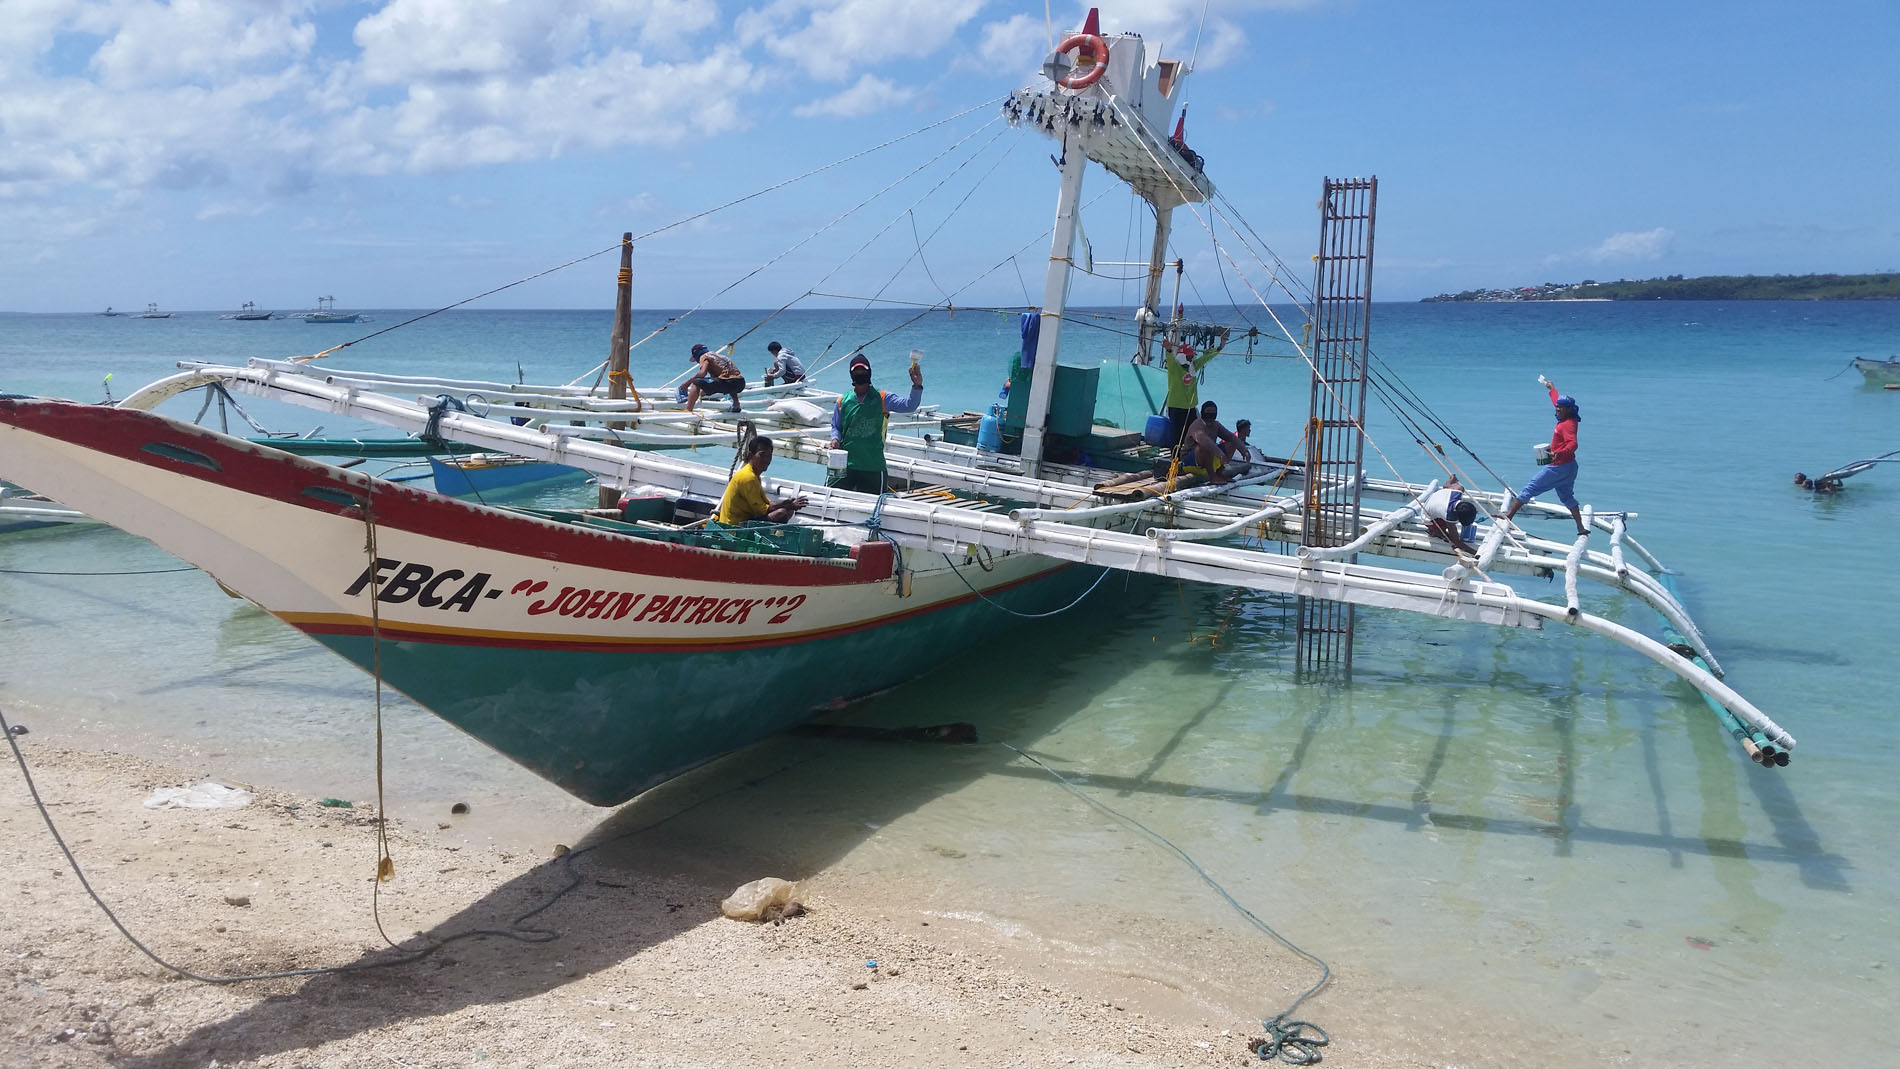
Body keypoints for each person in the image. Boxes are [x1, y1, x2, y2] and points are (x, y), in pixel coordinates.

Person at [1501, 376, 1588, 537]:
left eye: (1561, 408)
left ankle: (1508, 516)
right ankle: (1581, 528)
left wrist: (1558, 453)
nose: (1557, 409)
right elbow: (1557, 401)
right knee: (1567, 496)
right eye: (1557, 407)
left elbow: (1573, 444)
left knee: (1530, 488)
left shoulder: (1568, 424)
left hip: (1558, 467)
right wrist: (1552, 389)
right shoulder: (1567, 417)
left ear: (1569, 409)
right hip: (1569, 467)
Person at [828, 351, 924, 494]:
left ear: (869, 373)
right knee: (833, 501)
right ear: (851, 374)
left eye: (863, 370)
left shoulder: (883, 398)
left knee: (874, 508)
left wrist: (917, 386)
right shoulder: (843, 401)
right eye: (856, 371)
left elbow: (909, 405)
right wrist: (835, 439)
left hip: (873, 466)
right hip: (846, 465)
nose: (860, 373)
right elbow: (836, 426)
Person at [1161, 328, 1229, 452]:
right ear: (1183, 356)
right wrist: (1168, 349)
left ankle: (1190, 457)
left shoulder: (1193, 366)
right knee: (1177, 437)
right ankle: (1174, 460)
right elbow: (1170, 357)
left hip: (1191, 408)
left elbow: (1206, 358)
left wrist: (1221, 346)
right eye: (1190, 356)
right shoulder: (1174, 368)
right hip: (1176, 407)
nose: (1192, 358)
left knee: (1194, 434)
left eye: (1192, 356)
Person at [716, 436, 808, 524]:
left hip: (745, 520)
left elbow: (767, 503)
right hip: (734, 526)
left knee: (789, 511)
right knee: (781, 513)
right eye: (762, 455)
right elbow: (763, 510)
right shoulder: (748, 477)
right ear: (751, 455)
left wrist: (786, 503)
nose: (766, 460)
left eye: (769, 456)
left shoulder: (754, 475)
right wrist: (787, 505)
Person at [1180, 400, 1242, 484]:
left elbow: (1231, 436)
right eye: (1208, 412)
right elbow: (1204, 440)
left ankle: (1219, 474)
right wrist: (1220, 453)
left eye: (1213, 413)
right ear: (1202, 413)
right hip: (1190, 462)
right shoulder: (1197, 425)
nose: (1210, 416)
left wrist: (1243, 450)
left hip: (1209, 459)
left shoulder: (1216, 425)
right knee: (1204, 446)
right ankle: (1212, 477)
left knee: (1232, 443)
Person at [1421, 476, 1481, 553]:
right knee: (1447, 535)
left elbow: (1445, 486)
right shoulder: (1449, 516)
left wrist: (1451, 481)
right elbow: (1455, 540)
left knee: (1460, 487)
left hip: (1435, 501)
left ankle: (1438, 530)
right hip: (1427, 517)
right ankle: (1435, 532)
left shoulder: (1457, 492)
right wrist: (1474, 552)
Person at [683, 343, 746, 413]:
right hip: (741, 383)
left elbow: (702, 373)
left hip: (727, 383)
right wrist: (705, 391)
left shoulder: (704, 356)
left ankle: (688, 410)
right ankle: (736, 404)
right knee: (730, 379)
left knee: (696, 382)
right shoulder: (720, 356)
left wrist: (686, 384)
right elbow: (728, 377)